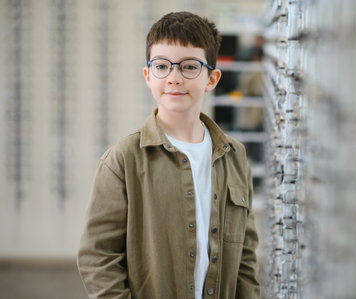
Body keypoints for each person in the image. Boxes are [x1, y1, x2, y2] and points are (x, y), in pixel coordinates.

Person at [77, 11, 260, 299]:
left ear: (211, 78)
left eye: (189, 67)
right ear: (148, 76)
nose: (174, 78)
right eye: (162, 66)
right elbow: (97, 257)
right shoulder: (123, 160)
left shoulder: (234, 156)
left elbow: (246, 256)